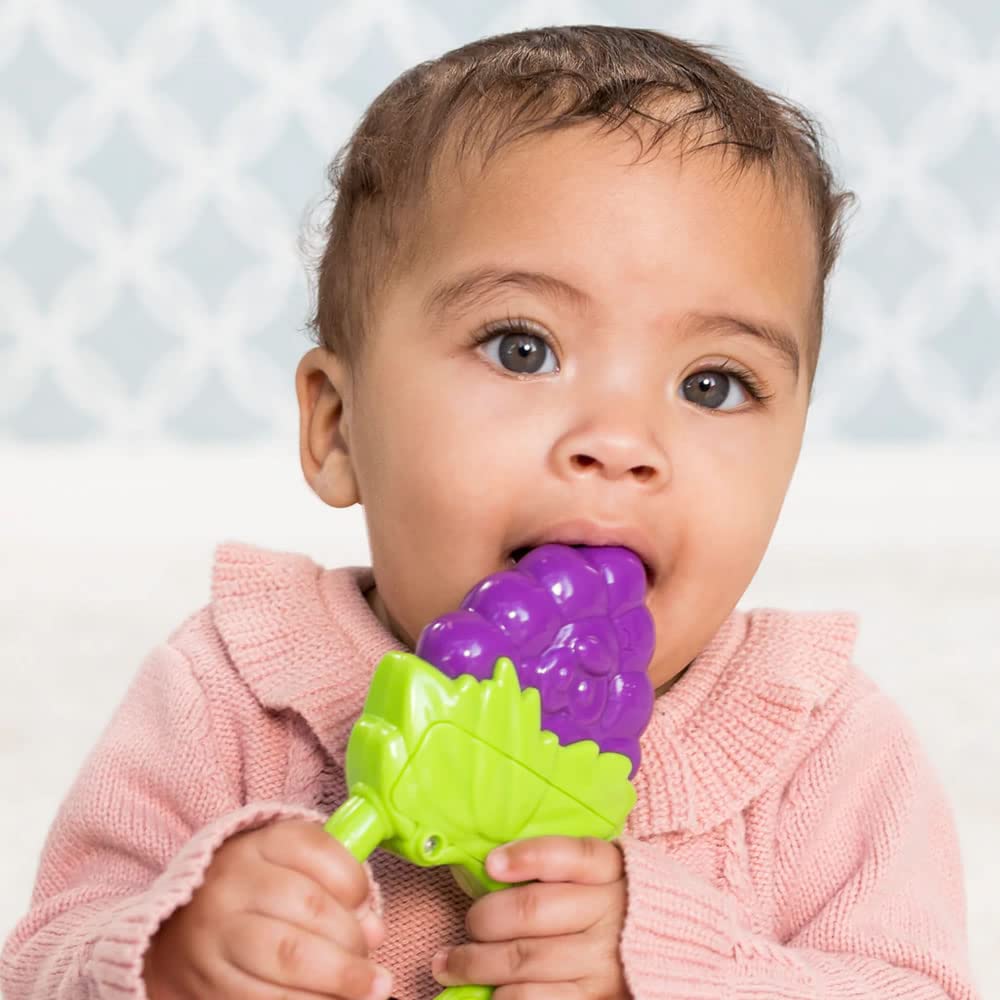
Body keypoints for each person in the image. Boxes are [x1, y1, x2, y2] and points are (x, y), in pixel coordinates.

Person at [0, 24, 980, 1000]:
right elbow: (41, 959)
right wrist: (169, 952)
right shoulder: (230, 697)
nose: (619, 440)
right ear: (338, 428)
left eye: (712, 384)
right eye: (522, 348)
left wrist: (675, 970)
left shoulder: (828, 753)